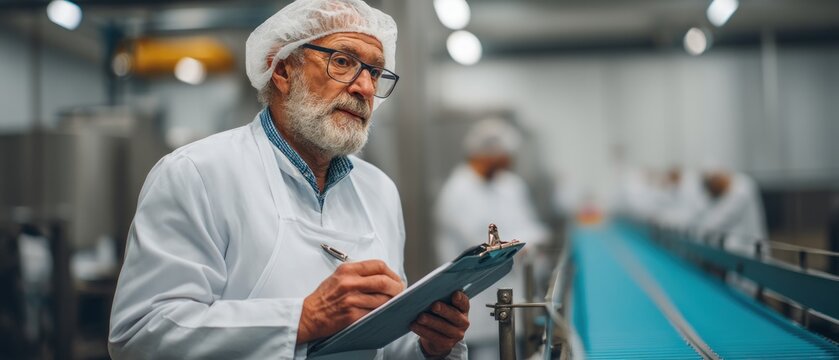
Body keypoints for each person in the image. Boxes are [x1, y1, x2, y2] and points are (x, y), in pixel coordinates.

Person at [108, 1, 469, 359]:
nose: (364, 88)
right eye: (343, 62)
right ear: (282, 70)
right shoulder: (197, 173)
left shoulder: (380, 191)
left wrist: (428, 344)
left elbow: (383, 343)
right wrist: (303, 318)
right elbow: (140, 333)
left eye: (375, 72)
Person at [434, 118, 549, 360]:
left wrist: (533, 241)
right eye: (504, 156)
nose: (509, 162)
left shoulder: (508, 185)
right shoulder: (458, 191)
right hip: (476, 301)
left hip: (511, 296)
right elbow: (481, 246)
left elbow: (527, 225)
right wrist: (522, 244)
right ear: (487, 154)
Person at [696, 169, 767, 257]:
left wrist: (700, 231)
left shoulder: (742, 189)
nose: (712, 192)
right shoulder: (724, 193)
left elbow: (717, 222)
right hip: (736, 251)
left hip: (749, 251)